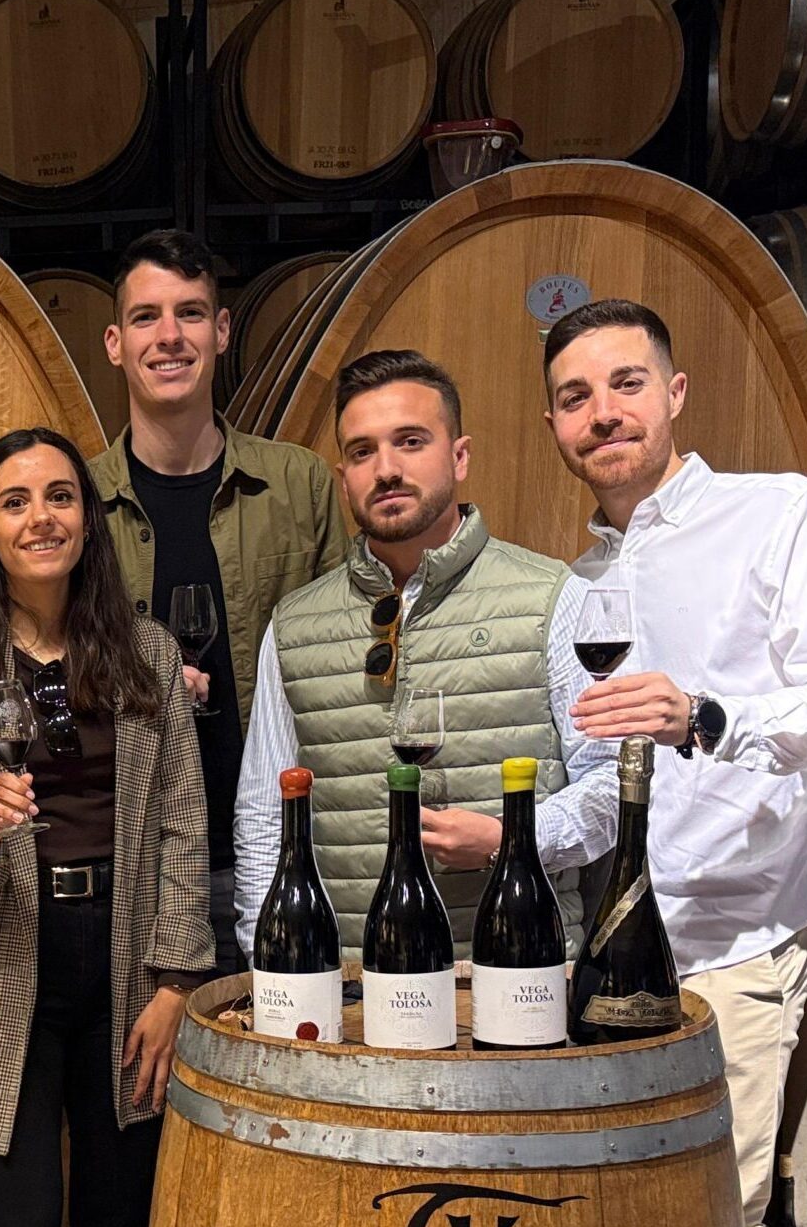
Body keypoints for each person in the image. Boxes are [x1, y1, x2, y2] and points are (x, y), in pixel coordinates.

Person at [540, 299, 807, 1227]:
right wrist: (513, 836)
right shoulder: (581, 589)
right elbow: (601, 789)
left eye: (627, 383)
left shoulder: (778, 515)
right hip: (613, 958)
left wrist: (706, 717)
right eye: (575, 396)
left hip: (735, 943)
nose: (603, 412)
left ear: (676, 392)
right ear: (554, 424)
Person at [0, 427, 212, 1227]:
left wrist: (175, 985)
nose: (41, 517)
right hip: (6, 964)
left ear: (86, 517)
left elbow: (183, 823)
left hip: (127, 962)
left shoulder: (148, 654)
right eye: (15, 502)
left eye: (60, 496)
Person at [232, 349, 615, 961]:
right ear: (344, 475)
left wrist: (511, 839)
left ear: (459, 456)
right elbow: (262, 812)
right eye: (363, 452)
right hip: (346, 979)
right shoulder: (295, 623)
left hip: (516, 970)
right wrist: (267, 958)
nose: (386, 469)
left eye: (410, 442)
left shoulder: (552, 597)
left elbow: (610, 783)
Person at [92, 228, 348, 976]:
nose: (169, 336)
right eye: (145, 317)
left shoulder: (298, 485)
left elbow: (348, 655)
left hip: (282, 858)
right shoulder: (77, 504)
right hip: (135, 868)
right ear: (115, 343)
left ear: (223, 330)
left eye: (191, 313)